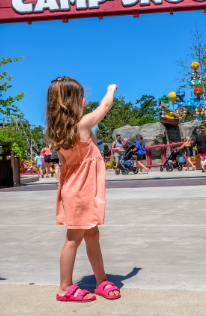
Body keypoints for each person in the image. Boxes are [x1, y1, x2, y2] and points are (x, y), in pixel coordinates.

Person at [46, 77, 120, 302]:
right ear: (77, 102)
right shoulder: (83, 126)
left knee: (92, 236)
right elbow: (105, 106)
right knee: (73, 239)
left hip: (77, 192)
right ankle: (64, 287)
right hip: (81, 193)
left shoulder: (58, 134)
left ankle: (101, 280)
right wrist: (111, 89)